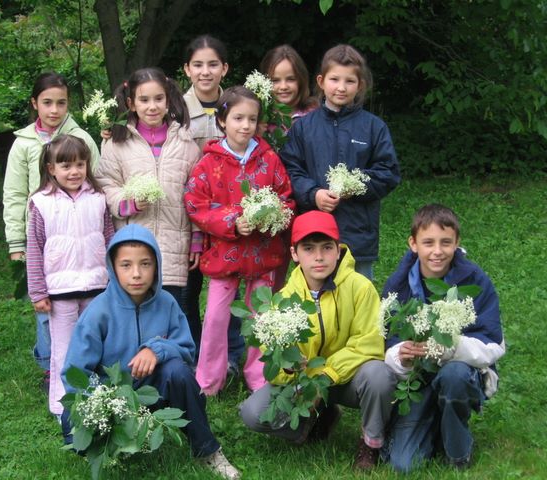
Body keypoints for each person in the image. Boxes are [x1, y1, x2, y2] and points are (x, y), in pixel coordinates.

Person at [61, 224, 240, 480]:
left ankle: (207, 450)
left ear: (156, 265)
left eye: (145, 264)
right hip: (113, 397)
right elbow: (75, 372)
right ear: (112, 267)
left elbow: (186, 348)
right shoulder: (98, 311)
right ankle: (117, 443)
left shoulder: (167, 303)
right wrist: (102, 401)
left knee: (178, 371)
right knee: (71, 422)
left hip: (152, 394)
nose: (136, 274)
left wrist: (156, 350)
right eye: (126, 265)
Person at [239, 210, 396, 470]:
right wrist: (289, 367)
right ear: (294, 254)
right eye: (309, 248)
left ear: (338, 250)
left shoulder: (360, 287)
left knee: (379, 375)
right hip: (306, 383)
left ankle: (371, 442)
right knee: (253, 413)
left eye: (327, 247)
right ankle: (316, 420)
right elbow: (273, 358)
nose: (319, 256)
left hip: (348, 379)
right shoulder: (284, 299)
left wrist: (325, 376)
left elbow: (368, 343)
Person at [184, 86, 295, 396]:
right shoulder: (209, 163)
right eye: (238, 118)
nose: (245, 126)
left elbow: (286, 198)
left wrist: (268, 217)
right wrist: (233, 221)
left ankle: (259, 377)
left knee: (262, 317)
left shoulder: (269, 159)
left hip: (264, 253)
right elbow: (195, 204)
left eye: (252, 119)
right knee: (216, 318)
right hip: (225, 255)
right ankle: (208, 381)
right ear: (222, 120)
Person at [381, 204, 505, 472]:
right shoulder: (398, 285)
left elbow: (493, 343)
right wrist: (401, 356)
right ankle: (435, 423)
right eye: (428, 242)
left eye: (445, 242)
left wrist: (448, 347)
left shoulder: (475, 281)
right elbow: (386, 341)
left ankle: (457, 452)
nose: (437, 251)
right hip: (418, 378)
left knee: (454, 376)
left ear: (457, 243)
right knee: (403, 464)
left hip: (459, 371)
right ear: (413, 244)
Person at [3, 72, 100, 387]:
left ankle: (85, 364)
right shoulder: (23, 144)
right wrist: (16, 243)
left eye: (61, 103)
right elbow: (14, 194)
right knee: (46, 305)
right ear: (35, 103)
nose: (54, 110)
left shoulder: (82, 138)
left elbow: (98, 183)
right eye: (47, 103)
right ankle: (50, 365)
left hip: (81, 240)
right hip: (43, 239)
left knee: (84, 307)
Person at [280, 44, 400, 280]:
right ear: (321, 81)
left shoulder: (374, 127)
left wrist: (355, 185)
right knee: (314, 297)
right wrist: (313, 194)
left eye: (350, 81)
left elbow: (388, 173)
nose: (341, 88)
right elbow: (290, 170)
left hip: (358, 234)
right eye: (334, 79)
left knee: (358, 294)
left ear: (360, 85)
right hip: (314, 232)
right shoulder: (303, 127)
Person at [95, 67, 200, 309]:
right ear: (131, 104)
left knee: (170, 311)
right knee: (132, 312)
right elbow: (106, 183)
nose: (152, 106)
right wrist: (128, 203)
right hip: (132, 245)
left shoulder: (186, 144)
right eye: (144, 100)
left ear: (168, 100)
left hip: (174, 247)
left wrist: (196, 238)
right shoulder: (117, 143)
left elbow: (197, 195)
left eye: (158, 99)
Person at [26, 135, 114, 417]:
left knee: (94, 344)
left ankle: (97, 399)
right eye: (66, 166)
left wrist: (113, 281)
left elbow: (109, 240)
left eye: (80, 164)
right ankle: (63, 406)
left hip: (97, 288)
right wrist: (38, 292)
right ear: (51, 169)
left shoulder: (98, 199)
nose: (74, 172)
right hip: (60, 292)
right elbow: (35, 249)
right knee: (63, 349)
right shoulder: (41, 202)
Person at [181, 34, 245, 372]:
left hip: (230, 215)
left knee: (229, 288)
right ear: (187, 69)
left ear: (225, 68)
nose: (205, 72)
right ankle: (193, 355)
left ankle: (232, 355)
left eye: (213, 64)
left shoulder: (237, 105)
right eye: (198, 65)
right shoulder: (175, 109)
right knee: (189, 289)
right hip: (190, 213)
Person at [259, 44, 318, 292]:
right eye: (275, 80)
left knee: (310, 265)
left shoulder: (315, 114)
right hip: (273, 204)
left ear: (301, 80)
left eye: (290, 79)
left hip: (307, 199)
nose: (283, 86)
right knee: (272, 270)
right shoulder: (257, 115)